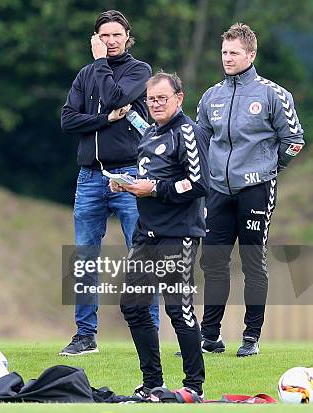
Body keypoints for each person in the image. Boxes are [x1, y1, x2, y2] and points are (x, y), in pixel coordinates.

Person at [197, 23, 305, 357]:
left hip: (255, 190)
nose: (227, 58)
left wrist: (270, 169)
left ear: (251, 54)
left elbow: (295, 141)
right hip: (217, 190)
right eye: (224, 52)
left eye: (234, 53)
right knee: (213, 263)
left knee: (252, 263)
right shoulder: (210, 96)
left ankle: (251, 336)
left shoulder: (274, 94)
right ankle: (209, 337)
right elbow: (199, 141)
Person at [59, 9, 158, 356]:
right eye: (104, 36)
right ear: (95, 39)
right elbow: (68, 121)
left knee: (142, 255)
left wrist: (101, 64)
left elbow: (119, 97)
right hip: (90, 177)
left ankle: (150, 334)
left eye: (116, 35)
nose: (110, 41)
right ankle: (85, 335)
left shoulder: (139, 70)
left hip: (131, 174)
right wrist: (104, 119)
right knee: (85, 259)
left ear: (127, 36)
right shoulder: (85, 75)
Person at [114, 72, 208, 398]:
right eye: (151, 99)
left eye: (162, 98)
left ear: (179, 98)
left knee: (178, 309)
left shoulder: (188, 132)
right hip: (146, 234)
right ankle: (152, 383)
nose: (155, 104)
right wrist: (125, 181)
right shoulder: (150, 134)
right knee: (133, 306)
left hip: (177, 234)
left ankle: (193, 387)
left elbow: (197, 184)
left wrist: (152, 189)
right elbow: (149, 175)